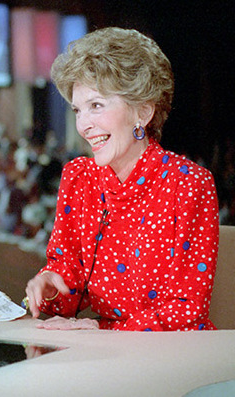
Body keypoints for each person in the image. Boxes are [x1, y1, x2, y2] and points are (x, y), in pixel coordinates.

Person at [24, 27, 219, 331]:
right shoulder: (79, 178)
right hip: (103, 355)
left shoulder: (189, 184)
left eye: (96, 106)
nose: (84, 125)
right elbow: (68, 279)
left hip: (172, 357)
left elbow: (187, 310)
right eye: (78, 110)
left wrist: (103, 332)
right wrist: (50, 283)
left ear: (143, 111)